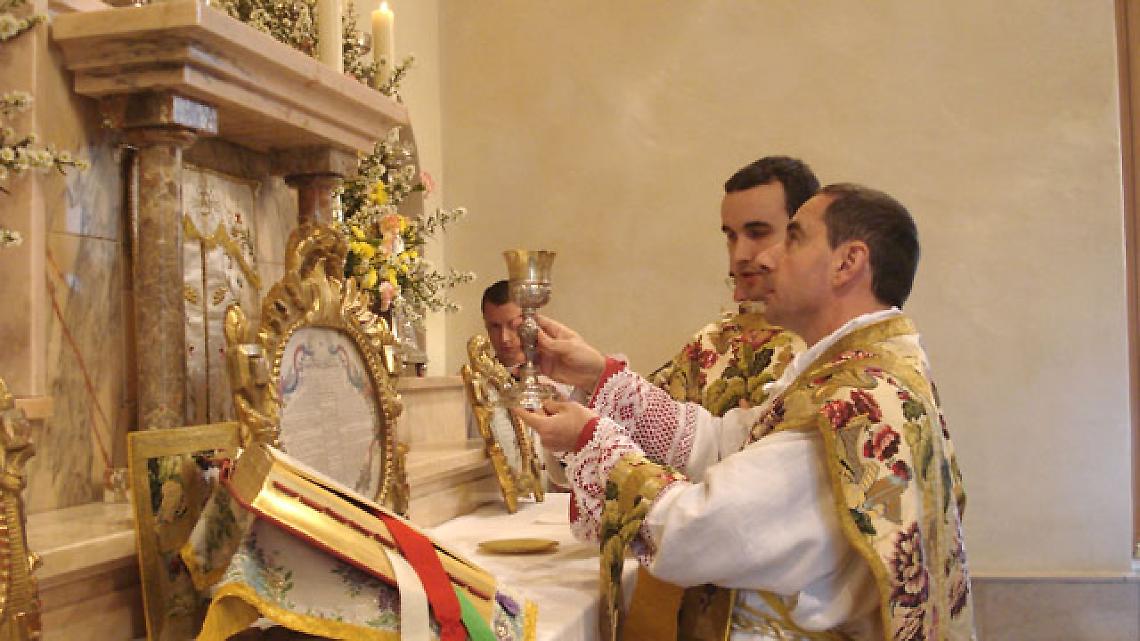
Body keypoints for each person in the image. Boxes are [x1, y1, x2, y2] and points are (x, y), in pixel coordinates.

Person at [515, 184, 975, 640]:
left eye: (792, 238)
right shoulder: (867, 372)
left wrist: (591, 443)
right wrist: (601, 377)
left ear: (847, 263)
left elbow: (695, 531)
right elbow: (725, 443)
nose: (765, 258)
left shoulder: (853, 407)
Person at [650, 156, 818, 417]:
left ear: (801, 235)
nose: (739, 255)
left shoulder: (827, 348)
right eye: (731, 236)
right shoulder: (710, 343)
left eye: (758, 233)